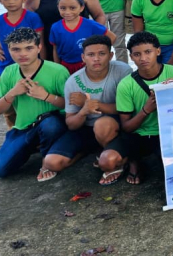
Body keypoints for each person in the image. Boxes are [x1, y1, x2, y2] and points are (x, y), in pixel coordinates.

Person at [98, 31, 173, 185]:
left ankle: (146, 161)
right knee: (107, 162)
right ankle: (133, 162)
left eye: (148, 52)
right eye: (137, 54)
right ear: (131, 57)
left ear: (158, 51)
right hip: (139, 135)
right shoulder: (126, 84)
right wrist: (146, 110)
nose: (143, 58)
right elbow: (126, 127)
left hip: (168, 133)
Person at [43, 35, 131, 185]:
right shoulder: (73, 81)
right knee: (51, 162)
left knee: (102, 125)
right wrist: (84, 110)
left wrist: (92, 104)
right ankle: (87, 151)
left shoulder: (123, 71)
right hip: (85, 127)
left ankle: (120, 160)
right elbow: (71, 124)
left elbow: (129, 109)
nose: (96, 59)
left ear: (110, 55)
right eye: (91, 55)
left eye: (101, 54)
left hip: (113, 126)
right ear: (83, 57)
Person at [0, 28, 70, 180]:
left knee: (50, 125)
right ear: (9, 50)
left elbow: (71, 105)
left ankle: (46, 161)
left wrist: (46, 96)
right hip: (24, 127)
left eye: (29, 48)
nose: (22, 54)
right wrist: (13, 92)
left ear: (39, 47)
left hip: (52, 123)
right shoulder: (8, 72)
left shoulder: (58, 71)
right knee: (0, 170)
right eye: (16, 49)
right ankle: (34, 145)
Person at [0, 0, 44, 81]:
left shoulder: (33, 18)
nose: (11, 2)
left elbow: (40, 42)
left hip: (31, 67)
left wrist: (44, 65)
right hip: (5, 67)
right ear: (0, 0)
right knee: (6, 94)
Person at [49, 0, 116, 74]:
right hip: (65, 67)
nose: (67, 12)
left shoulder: (90, 24)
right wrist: (57, 67)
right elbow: (55, 49)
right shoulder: (55, 27)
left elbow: (112, 37)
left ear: (81, 7)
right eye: (63, 8)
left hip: (86, 66)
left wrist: (99, 54)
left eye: (72, 8)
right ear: (58, 7)